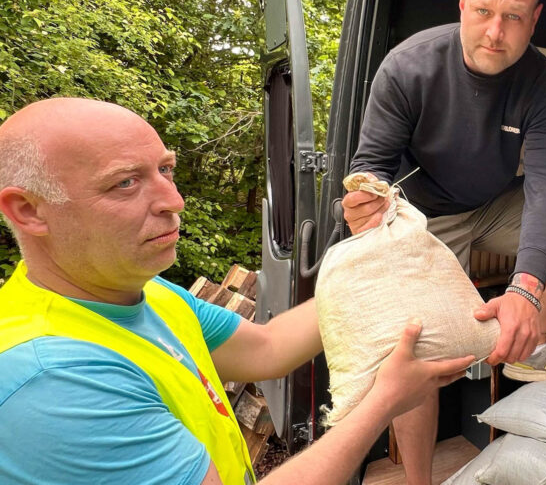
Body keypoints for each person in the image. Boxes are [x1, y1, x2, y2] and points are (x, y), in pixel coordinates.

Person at [0, 97, 474, 485]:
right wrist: (383, 403)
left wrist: (376, 253)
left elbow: (268, 349)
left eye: (165, 170)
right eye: (125, 183)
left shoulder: (144, 295)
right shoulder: (51, 379)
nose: (174, 201)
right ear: (28, 211)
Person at [342, 0, 546, 485]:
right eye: (486, 12)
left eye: (514, 17)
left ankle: (529, 341)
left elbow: (545, 189)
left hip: (493, 204)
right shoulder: (408, 67)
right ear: (463, 3)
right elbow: (370, 165)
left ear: (535, 18)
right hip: (424, 216)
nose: (496, 32)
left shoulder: (545, 87)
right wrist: (365, 203)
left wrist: (524, 291)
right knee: (413, 353)